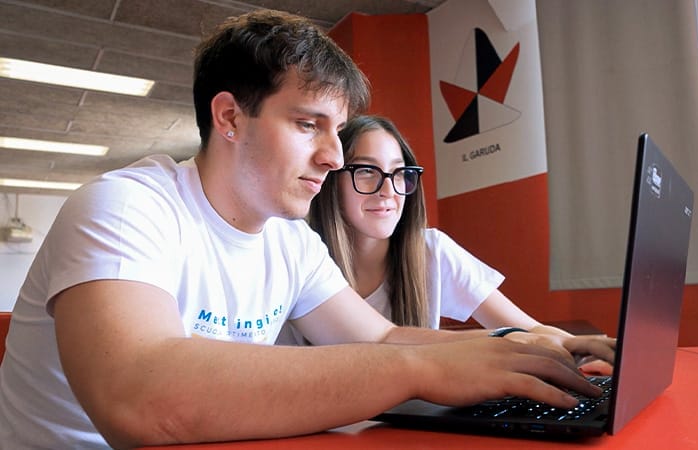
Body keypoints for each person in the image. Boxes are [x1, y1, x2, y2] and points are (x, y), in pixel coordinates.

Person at [0, 9, 611, 450]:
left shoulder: (290, 241)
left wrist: (519, 347)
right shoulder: (126, 207)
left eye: (334, 129)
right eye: (307, 125)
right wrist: (424, 371)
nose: (335, 157)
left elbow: (378, 340)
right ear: (229, 117)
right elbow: (141, 400)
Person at [282, 115, 613, 371]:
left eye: (399, 173)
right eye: (367, 171)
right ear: (331, 180)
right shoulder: (301, 260)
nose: (389, 190)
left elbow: (523, 327)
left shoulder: (430, 251)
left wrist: (582, 350)